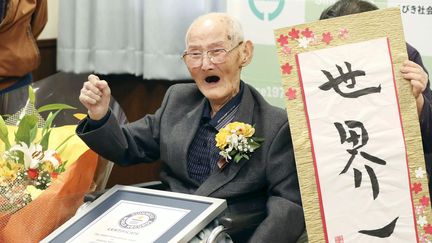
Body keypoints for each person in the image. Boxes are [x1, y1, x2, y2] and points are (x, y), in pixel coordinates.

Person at [76, 13, 305, 242]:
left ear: (244, 53)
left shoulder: (274, 125)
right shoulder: (178, 99)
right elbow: (128, 146)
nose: (205, 64)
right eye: (195, 54)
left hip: (223, 233)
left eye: (217, 51)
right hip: (165, 226)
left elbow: (288, 205)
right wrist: (99, 115)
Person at [320, 0, 432, 198]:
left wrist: (418, 102)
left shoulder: (403, 56)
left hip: (393, 170)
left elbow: (427, 138)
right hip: (334, 168)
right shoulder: (313, 59)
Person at [0, 0, 48, 113]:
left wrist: (21, 46)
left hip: (17, 81)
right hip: (16, 70)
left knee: (23, 129)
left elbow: (39, 20)